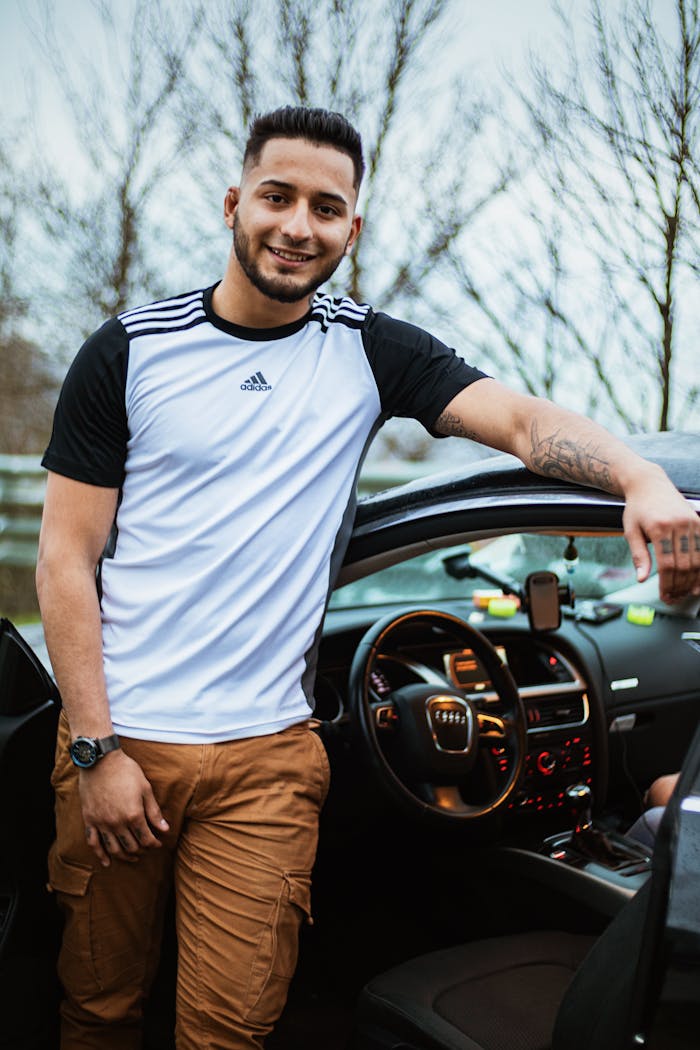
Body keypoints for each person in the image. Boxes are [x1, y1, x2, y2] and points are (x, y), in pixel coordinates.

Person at [36, 105, 700, 1050]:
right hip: (122, 738)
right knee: (97, 1008)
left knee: (227, 1033)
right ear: (235, 203)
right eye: (277, 196)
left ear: (353, 227)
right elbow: (65, 559)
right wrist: (97, 752)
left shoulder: (367, 351)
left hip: (267, 761)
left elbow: (517, 424)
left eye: (325, 206)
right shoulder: (129, 349)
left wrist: (639, 476)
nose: (297, 225)